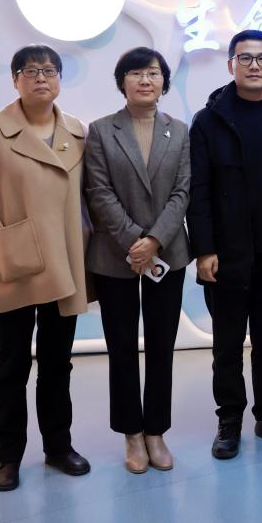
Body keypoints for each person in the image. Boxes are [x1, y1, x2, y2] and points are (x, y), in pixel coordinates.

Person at [0, 44, 92, 492]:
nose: (41, 79)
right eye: (30, 71)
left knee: (57, 363)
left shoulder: (77, 132)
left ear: (60, 79)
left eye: (49, 71)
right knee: (11, 363)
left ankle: (58, 447)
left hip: (64, 264)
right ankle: (8, 457)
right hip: (11, 261)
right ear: (15, 79)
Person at [187, 29, 262, 459]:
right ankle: (230, 420)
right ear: (230, 65)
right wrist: (204, 249)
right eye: (245, 58)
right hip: (226, 254)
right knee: (227, 345)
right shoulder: (209, 120)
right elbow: (198, 190)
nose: (254, 65)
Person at [84, 47, 190, 473]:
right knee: (122, 347)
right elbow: (98, 191)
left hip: (168, 253)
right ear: (121, 82)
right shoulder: (100, 130)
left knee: (162, 346)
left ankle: (156, 431)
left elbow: (183, 191)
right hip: (116, 255)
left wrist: (156, 240)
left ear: (164, 82)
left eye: (153, 73)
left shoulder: (179, 131)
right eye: (136, 73)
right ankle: (131, 432)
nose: (146, 80)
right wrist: (135, 241)